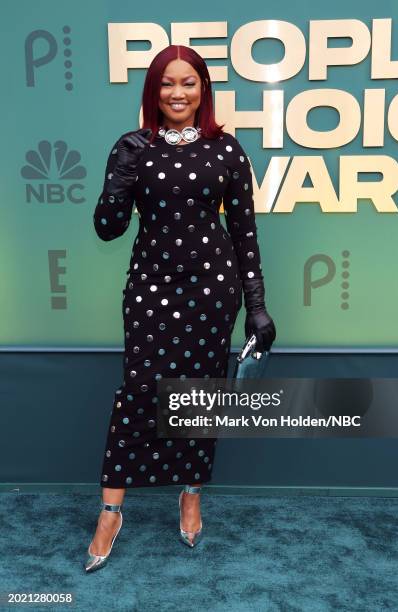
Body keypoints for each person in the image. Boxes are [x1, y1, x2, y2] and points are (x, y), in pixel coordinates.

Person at [85, 44, 276, 572]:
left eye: (188, 82)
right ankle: (110, 511)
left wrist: (255, 307)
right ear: (153, 90)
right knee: (138, 393)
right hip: (150, 288)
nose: (177, 93)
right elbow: (108, 229)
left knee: (202, 393)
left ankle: (191, 493)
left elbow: (244, 234)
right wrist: (120, 174)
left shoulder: (227, 151)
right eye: (167, 83)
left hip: (213, 290)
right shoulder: (134, 147)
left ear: (203, 90)